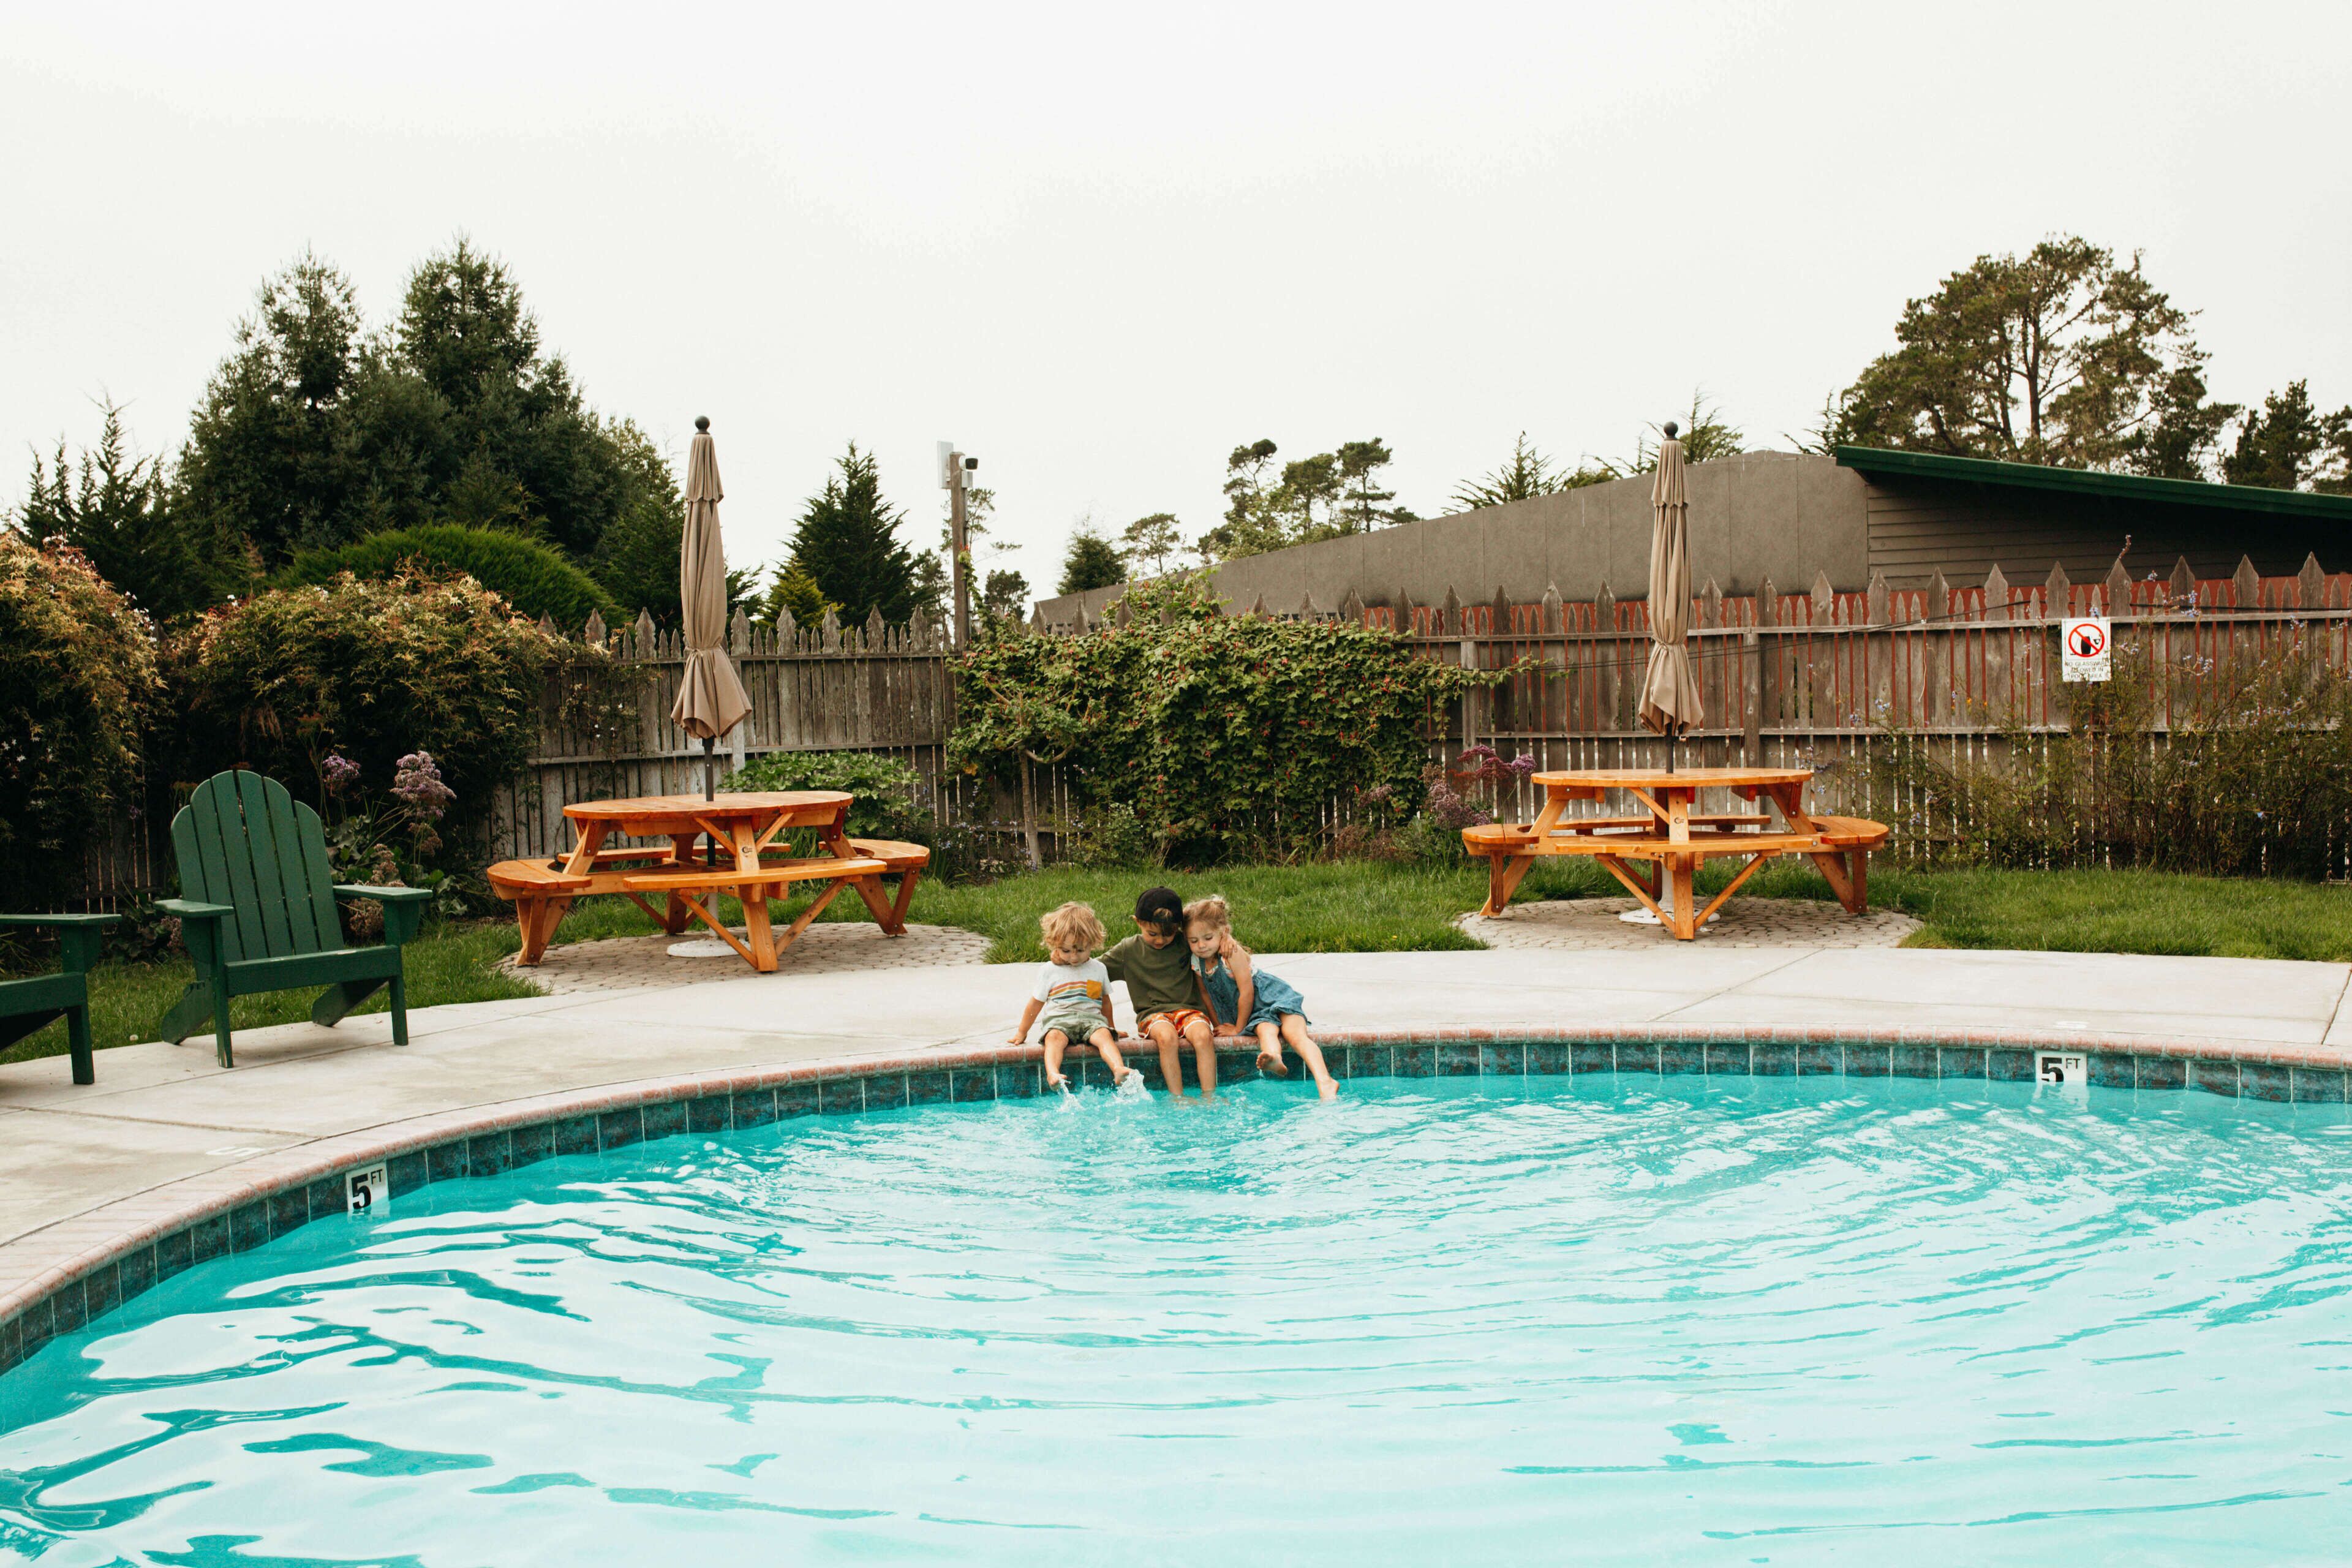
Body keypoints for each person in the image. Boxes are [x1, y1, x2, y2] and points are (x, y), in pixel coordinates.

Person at [1185, 894, 1337, 1101]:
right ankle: (1274, 1058)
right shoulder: (1197, 961)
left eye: (1208, 938)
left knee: (1295, 1035)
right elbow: (1205, 994)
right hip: (1256, 1014)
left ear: (1222, 932)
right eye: (1193, 941)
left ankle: (1325, 1081)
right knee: (1265, 1030)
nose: (1201, 945)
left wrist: (1238, 1028)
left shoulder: (1232, 953)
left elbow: (1247, 992)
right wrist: (1218, 1024)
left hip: (1274, 998)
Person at [1008, 902, 1138, 1093]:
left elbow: (1105, 1003)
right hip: (1059, 1021)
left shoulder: (1098, 969)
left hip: (1091, 1020)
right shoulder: (1049, 971)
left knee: (1104, 1036)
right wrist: (1022, 1032)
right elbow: (1035, 1004)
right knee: (1053, 1038)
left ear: (1093, 943)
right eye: (1066, 951)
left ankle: (1118, 1069)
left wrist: (1111, 1028)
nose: (1074, 957)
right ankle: (1053, 1073)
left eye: (1081, 950)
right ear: (1054, 944)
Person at [1103, 886, 1218, 1099]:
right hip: (1153, 1014)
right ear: (1137, 922)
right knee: (1167, 1037)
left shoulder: (1185, 942)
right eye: (1152, 933)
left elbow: (1214, 939)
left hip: (1189, 1011)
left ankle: (1209, 1096)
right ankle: (1178, 1097)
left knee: (1203, 1036)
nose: (1160, 940)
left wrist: (1228, 942)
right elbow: (1095, 974)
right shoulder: (1129, 950)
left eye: (1169, 934)